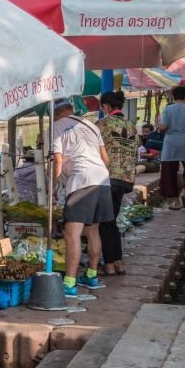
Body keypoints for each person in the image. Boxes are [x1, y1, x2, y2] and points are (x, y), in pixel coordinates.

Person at [51, 98, 112, 297]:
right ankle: (92, 276)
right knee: (93, 230)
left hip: (81, 180)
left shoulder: (57, 126)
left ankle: (69, 283)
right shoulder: (91, 125)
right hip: (102, 179)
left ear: (59, 112)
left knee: (72, 233)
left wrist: (52, 187)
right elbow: (105, 159)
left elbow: (57, 161)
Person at [96, 91, 137, 276]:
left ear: (105, 107)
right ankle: (118, 262)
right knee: (111, 220)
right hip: (125, 179)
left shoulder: (102, 125)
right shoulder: (132, 126)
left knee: (106, 222)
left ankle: (110, 264)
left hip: (107, 177)